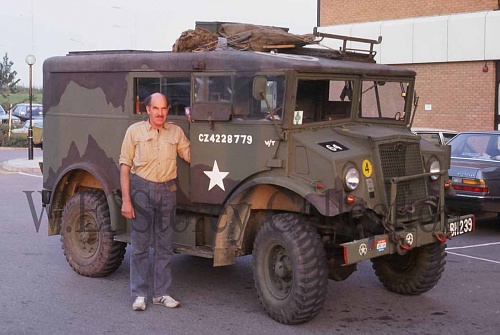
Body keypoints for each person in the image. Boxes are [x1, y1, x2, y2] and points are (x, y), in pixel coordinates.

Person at [119, 92, 190, 311]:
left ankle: (160, 293)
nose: (160, 113)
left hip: (168, 191)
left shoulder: (176, 132)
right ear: (147, 110)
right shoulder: (134, 132)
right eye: (155, 108)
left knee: (164, 246)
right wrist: (126, 200)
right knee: (140, 245)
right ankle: (139, 294)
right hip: (141, 190)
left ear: (168, 110)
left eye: (164, 108)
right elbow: (124, 166)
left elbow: (191, 155)